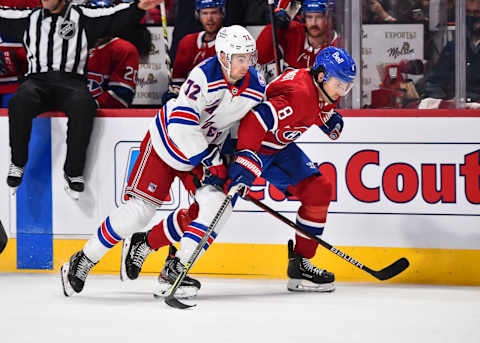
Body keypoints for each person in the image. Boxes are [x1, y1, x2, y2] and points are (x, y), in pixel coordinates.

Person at [124, 46, 356, 295]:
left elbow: (304, 105)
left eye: (347, 86)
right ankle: (152, 246)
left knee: (318, 190)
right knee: (211, 210)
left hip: (276, 147)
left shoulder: (317, 87)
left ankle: (300, 264)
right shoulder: (301, 93)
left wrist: (324, 116)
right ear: (321, 76)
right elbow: (257, 119)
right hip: (245, 146)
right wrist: (245, 157)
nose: (342, 91)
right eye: (339, 84)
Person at [60, 25, 264, 297]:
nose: (247, 63)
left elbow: (246, 125)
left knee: (217, 207)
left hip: (203, 153)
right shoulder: (203, 76)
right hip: (168, 143)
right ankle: (84, 259)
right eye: (241, 57)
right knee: (139, 212)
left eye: (249, 56)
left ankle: (174, 268)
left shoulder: (256, 85)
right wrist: (213, 160)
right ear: (224, 57)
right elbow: (182, 126)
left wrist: (240, 159)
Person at [0, 0, 162, 199]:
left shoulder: (83, 16)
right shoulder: (29, 17)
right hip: (37, 82)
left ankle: (73, 171)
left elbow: (115, 15)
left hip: (71, 82)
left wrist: (139, 6)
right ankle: (17, 162)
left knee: (84, 105)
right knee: (19, 101)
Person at [419, 0, 480, 108]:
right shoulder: (453, 48)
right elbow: (435, 83)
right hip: (453, 111)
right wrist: (445, 102)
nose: (472, 17)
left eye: (477, 13)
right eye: (468, 12)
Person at [256, 0, 341, 77]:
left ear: (329, 18)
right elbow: (260, 57)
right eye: (309, 17)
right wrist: (277, 24)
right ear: (304, 17)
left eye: (319, 17)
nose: (314, 23)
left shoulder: (339, 46)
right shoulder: (294, 33)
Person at [170, 0, 225, 91]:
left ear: (222, 14)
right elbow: (178, 81)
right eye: (205, 13)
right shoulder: (187, 42)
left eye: (214, 13)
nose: (209, 18)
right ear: (198, 15)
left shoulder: (230, 41)